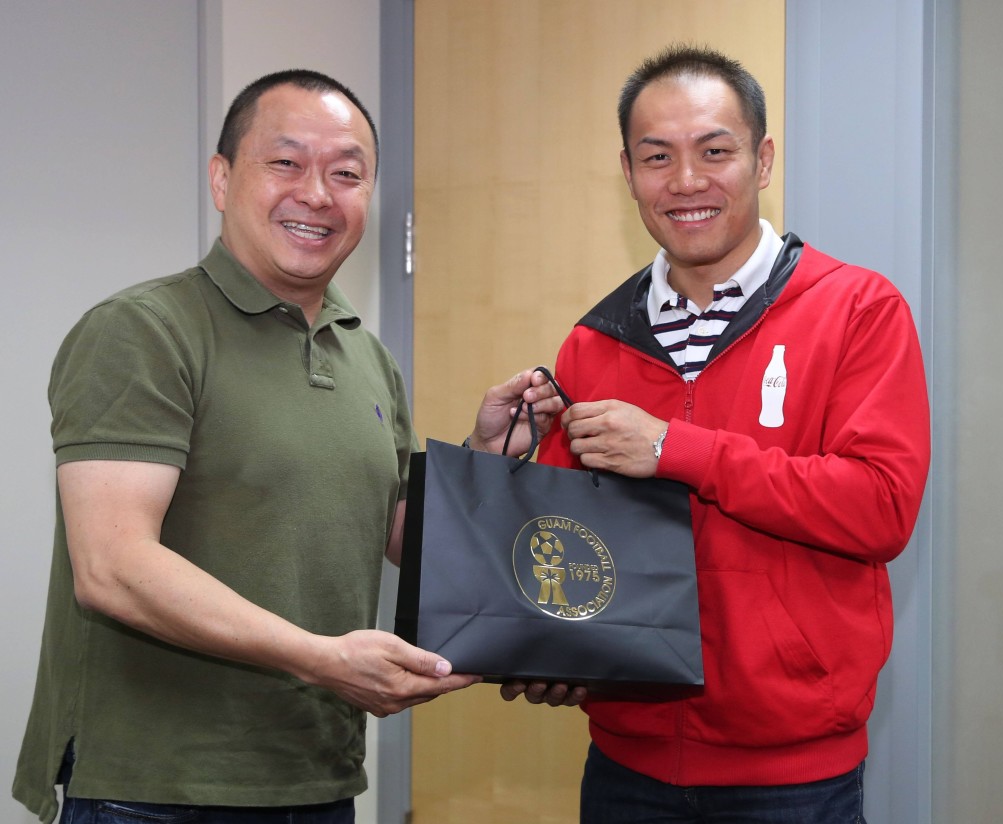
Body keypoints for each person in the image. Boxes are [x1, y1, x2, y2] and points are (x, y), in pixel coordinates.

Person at [12, 69, 562, 824]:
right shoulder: (144, 330)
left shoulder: (365, 354)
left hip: (315, 778)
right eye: (286, 162)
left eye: (347, 173)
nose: (317, 193)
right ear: (222, 177)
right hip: (157, 790)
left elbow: (402, 537)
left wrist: (486, 457)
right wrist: (322, 659)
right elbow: (111, 567)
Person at [500, 45, 931, 822]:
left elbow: (881, 506)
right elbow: (570, 541)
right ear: (627, 173)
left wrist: (675, 449)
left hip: (794, 774)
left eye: (715, 151)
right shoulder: (593, 342)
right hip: (626, 762)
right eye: (657, 157)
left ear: (762, 160)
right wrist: (554, 649)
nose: (687, 182)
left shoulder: (859, 309)